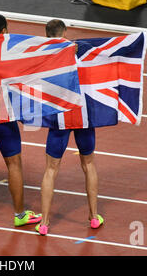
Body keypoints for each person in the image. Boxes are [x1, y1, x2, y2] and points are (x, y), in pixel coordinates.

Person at [36, 19, 104, 236]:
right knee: (89, 164)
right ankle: (94, 217)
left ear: (47, 35)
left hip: (59, 117)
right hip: (82, 116)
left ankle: (44, 222)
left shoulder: (42, 54)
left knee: (51, 169)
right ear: (65, 32)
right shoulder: (81, 50)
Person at [0, 15, 42, 229]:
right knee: (14, 164)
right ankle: (20, 214)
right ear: (3, 31)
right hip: (2, 115)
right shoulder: (9, 52)